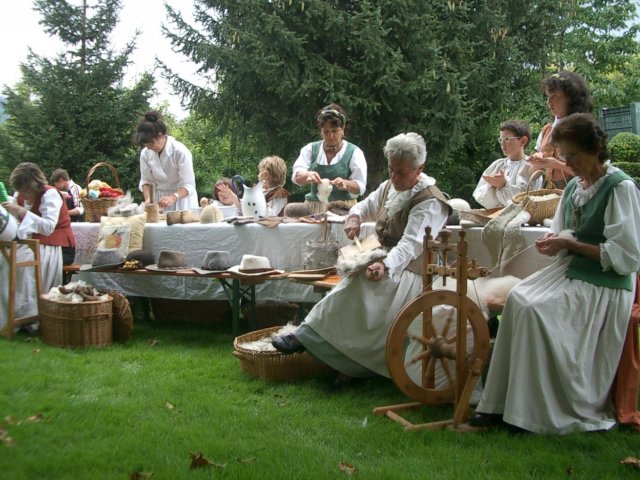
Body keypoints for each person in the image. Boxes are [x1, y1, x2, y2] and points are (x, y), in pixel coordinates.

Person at [471, 113, 640, 434]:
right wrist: (555, 240)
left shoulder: (621, 187)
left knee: (536, 310)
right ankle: (501, 404)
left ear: (595, 150)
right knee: (519, 299)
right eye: (564, 156)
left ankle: (534, 413)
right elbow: (563, 229)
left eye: (572, 156)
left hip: (606, 282)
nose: (567, 163)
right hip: (572, 270)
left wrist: (570, 244)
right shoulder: (575, 185)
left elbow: (627, 256)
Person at [272, 132, 451, 383]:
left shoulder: (429, 201)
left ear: (419, 168)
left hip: (417, 272)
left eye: (400, 172)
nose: (393, 177)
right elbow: (364, 205)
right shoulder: (390, 186)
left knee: (361, 284)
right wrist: (354, 216)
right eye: (391, 169)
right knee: (352, 277)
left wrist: (384, 265)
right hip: (389, 260)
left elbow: (411, 245)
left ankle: (313, 339)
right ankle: (325, 345)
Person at [1, 162, 76, 330]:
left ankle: (26, 317)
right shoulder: (19, 196)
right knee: (3, 259)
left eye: (25, 190)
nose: (22, 195)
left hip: (55, 245)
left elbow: (48, 227)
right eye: (20, 191)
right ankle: (7, 317)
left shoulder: (50, 195)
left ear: (34, 186)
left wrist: (21, 212)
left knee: (18, 264)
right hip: (30, 243)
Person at [288, 103, 367, 215]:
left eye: (335, 131)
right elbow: (297, 177)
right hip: (314, 208)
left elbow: (360, 187)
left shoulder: (354, 152)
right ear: (321, 130)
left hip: (343, 209)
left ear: (343, 129)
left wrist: (346, 183)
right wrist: (307, 175)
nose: (330, 136)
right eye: (326, 131)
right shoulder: (310, 149)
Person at [527, 71, 593, 189]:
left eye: (555, 96)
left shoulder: (582, 130)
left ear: (571, 99)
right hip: (550, 195)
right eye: (548, 96)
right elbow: (532, 174)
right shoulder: (547, 130)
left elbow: (589, 172)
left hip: (577, 191)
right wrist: (538, 161)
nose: (549, 102)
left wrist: (556, 164)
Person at [135, 111, 198, 211]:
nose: (149, 148)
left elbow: (189, 184)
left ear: (160, 135)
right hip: (159, 200)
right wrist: (148, 199)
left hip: (182, 199)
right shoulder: (145, 153)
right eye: (146, 145)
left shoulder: (180, 151)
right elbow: (146, 180)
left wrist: (173, 197)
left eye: (151, 143)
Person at [473, 120, 533, 208]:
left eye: (507, 139)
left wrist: (504, 185)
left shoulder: (531, 166)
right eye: (501, 140)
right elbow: (481, 197)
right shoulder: (497, 165)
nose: (502, 144)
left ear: (523, 141)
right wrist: (492, 186)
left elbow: (526, 198)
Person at [203, 157, 291, 216]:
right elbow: (244, 210)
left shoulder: (280, 194)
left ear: (268, 175)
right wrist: (231, 195)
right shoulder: (261, 191)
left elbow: (268, 214)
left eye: (261, 172)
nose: (258, 175)